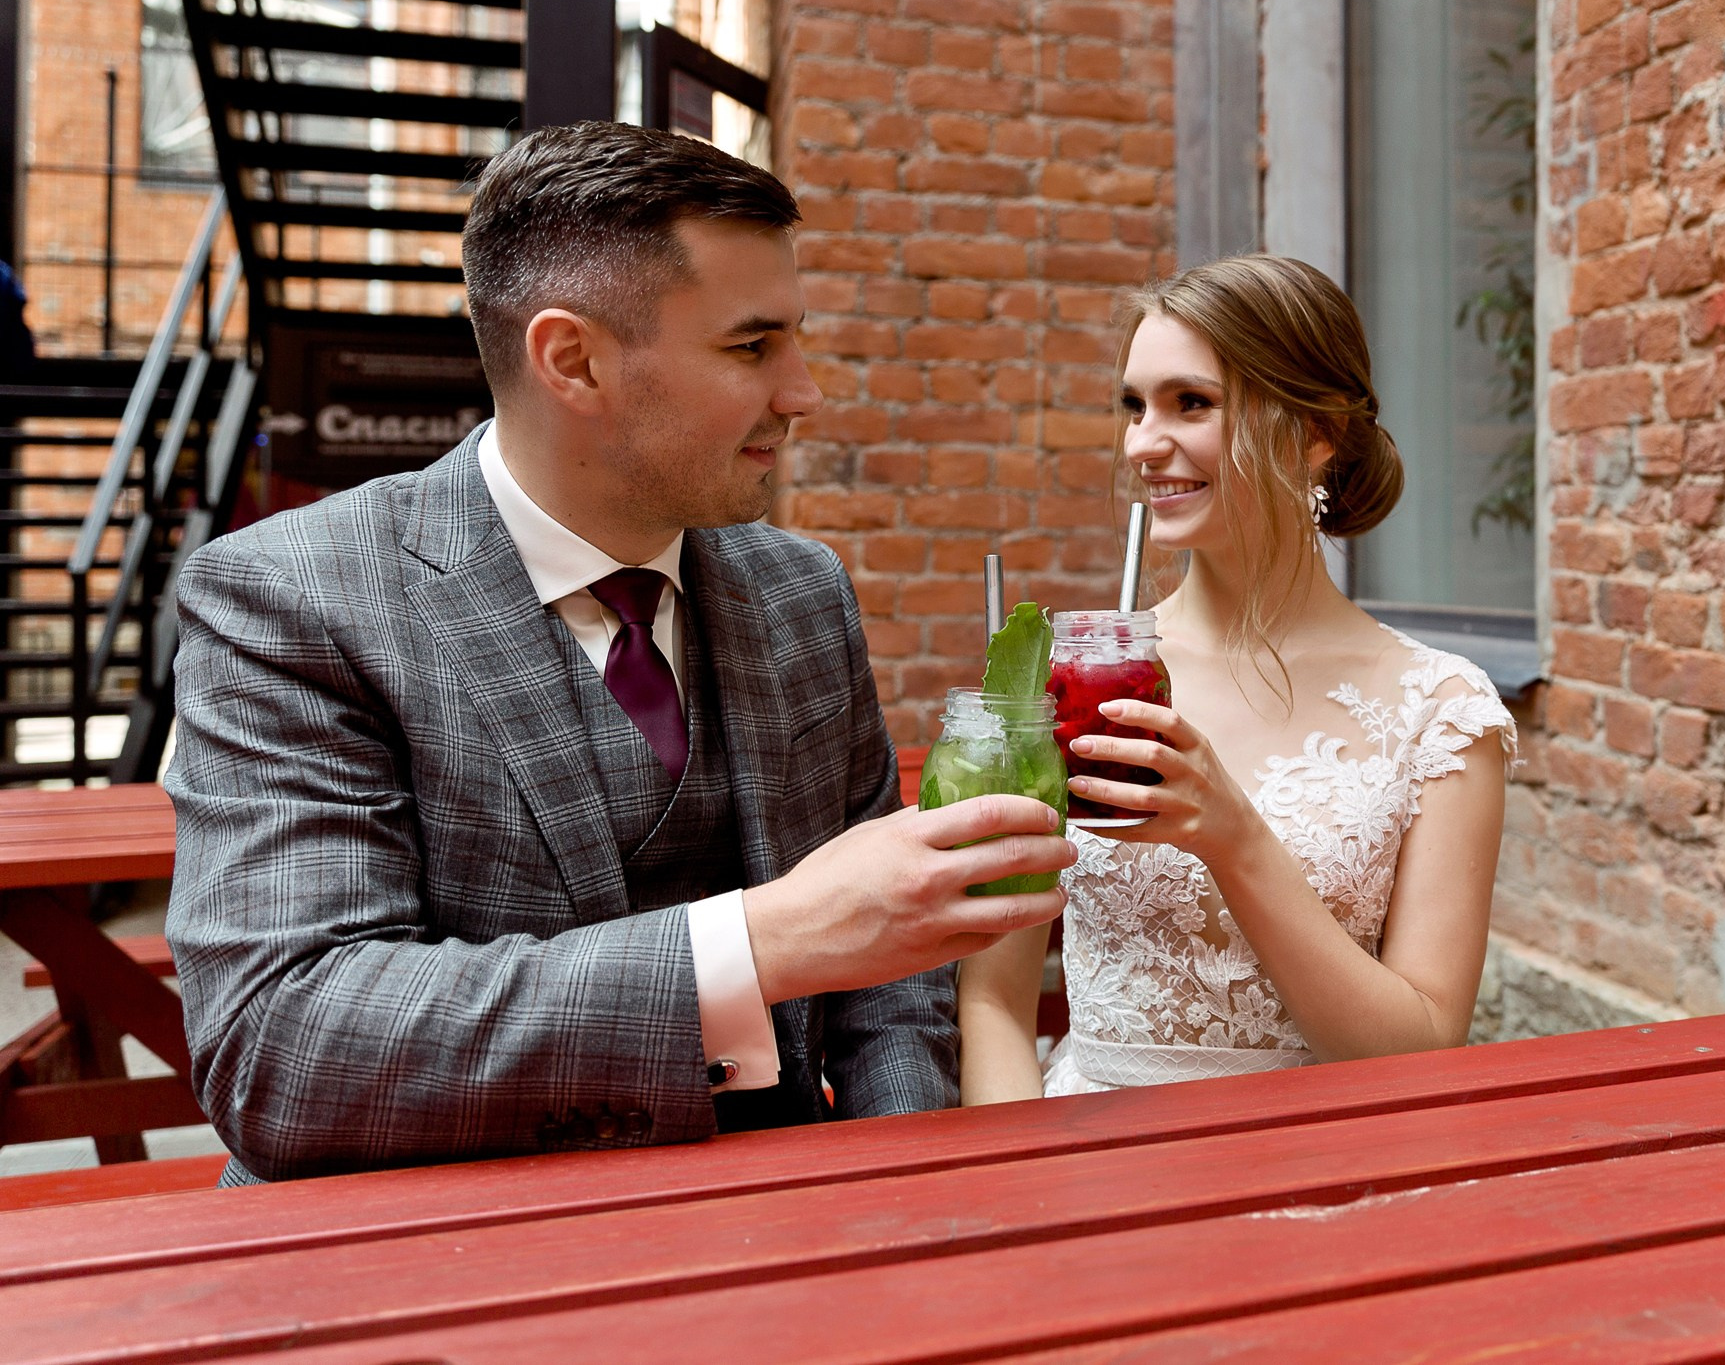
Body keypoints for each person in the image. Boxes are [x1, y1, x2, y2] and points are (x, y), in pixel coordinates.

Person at [165, 122, 1072, 1182]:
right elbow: (285, 1049)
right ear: (573, 359)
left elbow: (892, 986)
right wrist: (765, 941)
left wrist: (904, 1186)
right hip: (427, 1255)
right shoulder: (287, 594)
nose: (805, 391)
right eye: (751, 346)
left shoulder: (803, 588)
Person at [957, 254, 1514, 1099]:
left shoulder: (1441, 710)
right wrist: (1028, 1195)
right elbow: (994, 1000)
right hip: (1087, 1173)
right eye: (1134, 406)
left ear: (1316, 430)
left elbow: (1425, 1051)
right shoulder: (1070, 681)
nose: (1143, 443)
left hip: (1318, 1173)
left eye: (1192, 403)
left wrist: (1233, 837)